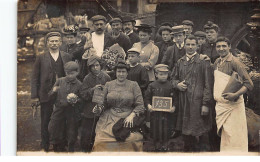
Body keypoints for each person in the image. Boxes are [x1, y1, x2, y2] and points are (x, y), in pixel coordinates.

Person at [171, 35, 213, 152]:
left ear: (197, 46)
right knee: (186, 133)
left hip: (198, 102)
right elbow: (172, 79)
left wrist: (205, 104)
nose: (190, 47)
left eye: (193, 44)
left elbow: (208, 85)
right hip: (184, 102)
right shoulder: (180, 62)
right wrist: (177, 85)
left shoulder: (203, 62)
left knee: (200, 130)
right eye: (188, 44)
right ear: (184, 46)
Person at [31, 32, 72, 151]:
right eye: (51, 41)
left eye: (56, 41)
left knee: (61, 118)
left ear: (60, 42)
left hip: (62, 94)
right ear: (47, 43)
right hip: (46, 94)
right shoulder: (41, 57)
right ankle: (45, 144)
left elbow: (71, 74)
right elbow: (34, 78)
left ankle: (60, 143)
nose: (54, 43)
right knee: (46, 120)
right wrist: (34, 96)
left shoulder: (66, 56)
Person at [93, 60, 145, 151]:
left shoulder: (134, 85)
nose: (121, 74)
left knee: (130, 140)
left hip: (127, 118)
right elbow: (103, 102)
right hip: (109, 118)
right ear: (115, 72)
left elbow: (140, 105)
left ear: (127, 73)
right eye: (119, 71)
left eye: (123, 72)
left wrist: (132, 115)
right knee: (100, 140)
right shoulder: (109, 85)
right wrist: (99, 108)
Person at [213, 36, 253, 152]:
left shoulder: (235, 62)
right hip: (221, 105)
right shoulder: (217, 62)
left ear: (229, 47)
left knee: (235, 136)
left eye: (224, 46)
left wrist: (235, 95)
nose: (221, 49)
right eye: (218, 46)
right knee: (226, 136)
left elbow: (249, 84)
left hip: (234, 106)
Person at [48, 61, 82, 152]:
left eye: (72, 73)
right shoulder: (60, 81)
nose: (70, 75)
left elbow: (82, 99)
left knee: (71, 131)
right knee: (54, 127)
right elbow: (50, 96)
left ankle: (70, 148)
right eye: (67, 73)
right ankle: (56, 146)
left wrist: (76, 99)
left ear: (77, 72)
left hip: (72, 111)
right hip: (59, 109)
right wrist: (54, 91)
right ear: (65, 72)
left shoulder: (79, 84)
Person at [79, 55, 111, 152]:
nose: (95, 68)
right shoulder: (87, 78)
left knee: (101, 132)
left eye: (97, 65)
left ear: (101, 65)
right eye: (92, 66)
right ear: (89, 68)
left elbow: (110, 94)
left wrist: (103, 104)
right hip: (89, 108)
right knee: (88, 132)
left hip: (103, 108)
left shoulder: (106, 77)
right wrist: (92, 90)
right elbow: (83, 94)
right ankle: (86, 150)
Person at [144, 64, 177, 151]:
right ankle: (156, 145)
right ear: (156, 75)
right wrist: (149, 106)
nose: (163, 76)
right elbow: (147, 98)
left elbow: (175, 99)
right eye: (161, 74)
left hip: (167, 114)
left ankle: (165, 145)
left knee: (166, 129)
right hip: (155, 114)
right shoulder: (152, 86)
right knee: (156, 129)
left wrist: (174, 107)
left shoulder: (171, 86)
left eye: (165, 74)